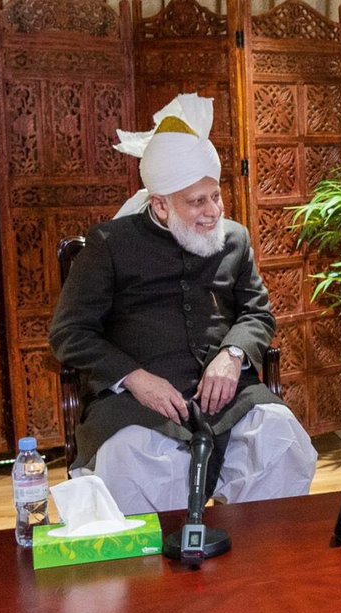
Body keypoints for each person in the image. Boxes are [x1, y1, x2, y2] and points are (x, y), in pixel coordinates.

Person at [50, 93, 316, 515]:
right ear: (159, 204)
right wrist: (135, 378)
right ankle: (165, 578)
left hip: (227, 397)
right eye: (197, 202)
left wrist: (232, 355)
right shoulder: (109, 245)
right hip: (139, 401)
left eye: (216, 196)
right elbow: (69, 333)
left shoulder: (234, 239)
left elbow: (257, 311)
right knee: (132, 456)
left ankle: (252, 559)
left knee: (280, 437)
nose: (213, 212)